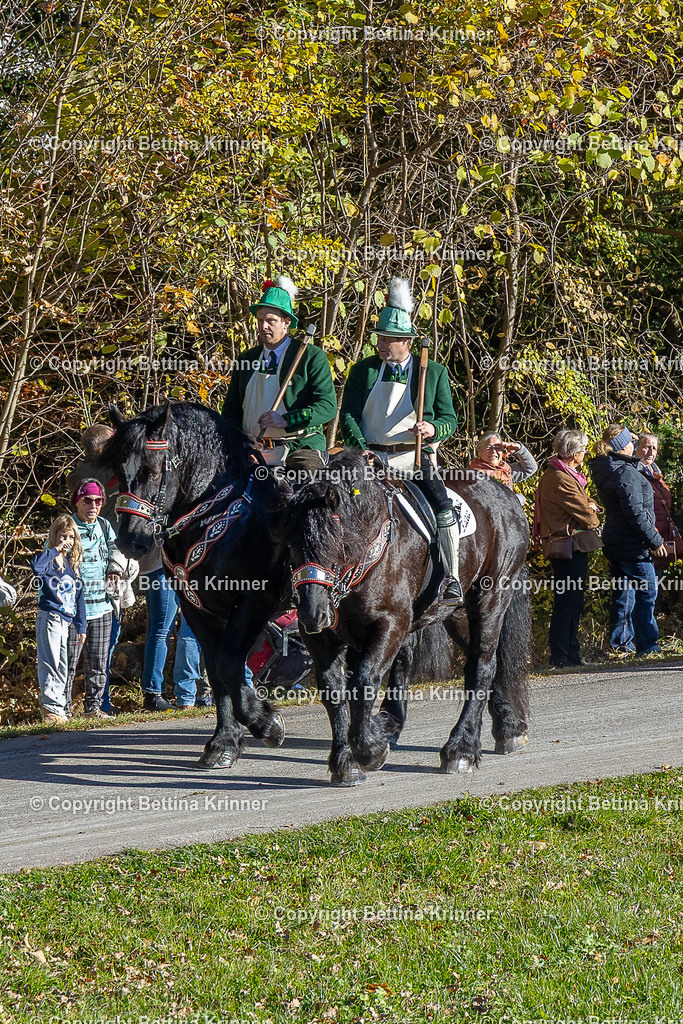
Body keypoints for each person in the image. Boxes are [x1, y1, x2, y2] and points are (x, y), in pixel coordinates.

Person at [339, 277, 463, 605]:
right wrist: (360, 445)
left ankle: (452, 577)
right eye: (379, 337)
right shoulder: (363, 370)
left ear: (406, 342)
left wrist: (433, 429)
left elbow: (451, 419)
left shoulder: (433, 372)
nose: (380, 343)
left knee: (442, 507)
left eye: (388, 339)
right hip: (369, 459)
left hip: (415, 458)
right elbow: (347, 415)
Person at [221, 275, 337, 472]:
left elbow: (327, 407)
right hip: (252, 450)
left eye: (270, 321)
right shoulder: (245, 360)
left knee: (307, 491)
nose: (263, 326)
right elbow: (231, 410)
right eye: (260, 321)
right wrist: (240, 442)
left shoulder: (311, 356)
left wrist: (286, 420)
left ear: (286, 323)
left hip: (299, 448)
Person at [68, 422, 138, 715]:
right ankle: (84, 703)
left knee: (109, 636)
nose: (94, 503)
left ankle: (96, 703)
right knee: (90, 648)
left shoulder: (111, 467)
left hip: (116, 560)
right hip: (90, 578)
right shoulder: (87, 477)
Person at [590, 424, 667, 657]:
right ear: (623, 446)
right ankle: (648, 645)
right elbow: (635, 514)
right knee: (646, 593)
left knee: (623, 594)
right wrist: (655, 541)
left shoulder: (609, 468)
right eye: (631, 441)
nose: (635, 445)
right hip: (632, 545)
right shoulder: (626, 473)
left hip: (616, 541)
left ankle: (621, 644)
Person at [535, 428, 602, 668]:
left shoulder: (566, 474)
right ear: (574, 454)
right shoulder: (561, 479)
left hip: (572, 545)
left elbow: (587, 500)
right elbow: (587, 515)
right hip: (567, 547)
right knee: (567, 602)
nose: (585, 454)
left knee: (573, 602)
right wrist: (592, 512)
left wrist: (591, 505)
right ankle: (561, 655)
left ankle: (572, 653)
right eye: (583, 450)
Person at [65, 480, 122, 718]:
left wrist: (114, 568)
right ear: (76, 501)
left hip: (102, 607)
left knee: (99, 663)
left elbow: (116, 549)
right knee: (68, 663)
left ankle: (94, 708)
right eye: (87, 500)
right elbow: (52, 557)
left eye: (98, 501)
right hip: (73, 610)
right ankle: (62, 711)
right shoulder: (67, 525)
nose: (93, 505)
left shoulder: (104, 525)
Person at [31, 515, 87, 724]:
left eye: (71, 537)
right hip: (50, 616)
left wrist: (81, 625)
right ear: (55, 536)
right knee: (50, 661)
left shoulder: (71, 566)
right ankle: (49, 707)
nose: (67, 541)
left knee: (63, 664)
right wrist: (55, 549)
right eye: (63, 535)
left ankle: (60, 707)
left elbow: (79, 597)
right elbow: (36, 567)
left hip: (66, 620)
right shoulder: (48, 561)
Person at [138, 548, 205, 711]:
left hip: (177, 565)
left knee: (174, 629)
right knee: (162, 630)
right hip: (163, 565)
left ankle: (179, 696)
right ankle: (154, 694)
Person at [636, 433, 682, 573]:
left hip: (661, 542)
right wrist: (653, 538)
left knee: (654, 589)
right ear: (636, 448)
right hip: (645, 541)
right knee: (646, 590)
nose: (651, 452)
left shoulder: (656, 474)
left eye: (654, 448)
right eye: (646, 447)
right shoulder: (634, 474)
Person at [467, 432, 537, 501]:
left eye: (497, 447)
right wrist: (515, 499)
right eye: (488, 447)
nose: (493, 452)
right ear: (479, 451)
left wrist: (519, 449)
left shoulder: (505, 471)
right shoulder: (472, 475)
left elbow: (531, 468)